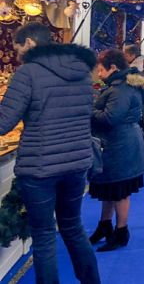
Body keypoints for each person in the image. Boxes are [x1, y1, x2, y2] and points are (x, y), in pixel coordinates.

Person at [0, 23, 101, 284]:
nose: (18, 53)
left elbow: (4, 122)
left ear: (30, 43)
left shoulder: (28, 73)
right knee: (73, 227)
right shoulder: (82, 71)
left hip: (40, 168)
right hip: (76, 163)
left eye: (19, 47)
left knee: (44, 237)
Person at [88, 49, 144, 252]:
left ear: (112, 68)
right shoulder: (122, 85)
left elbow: (109, 118)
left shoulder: (120, 88)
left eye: (100, 70)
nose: (98, 74)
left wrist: (89, 110)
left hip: (120, 145)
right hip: (116, 144)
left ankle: (121, 230)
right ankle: (105, 225)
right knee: (110, 187)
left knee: (119, 190)